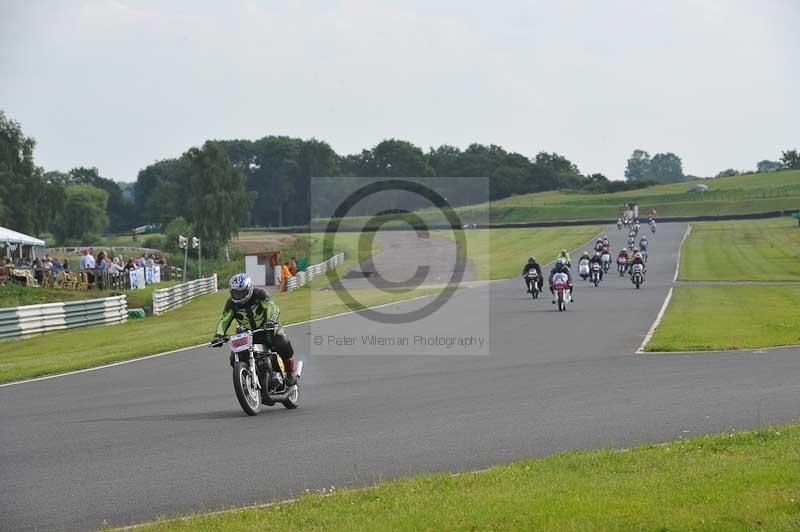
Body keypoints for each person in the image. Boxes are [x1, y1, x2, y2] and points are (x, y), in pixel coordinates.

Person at [211, 274, 297, 385]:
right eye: (235, 293)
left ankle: (290, 374)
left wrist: (270, 321)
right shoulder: (231, 304)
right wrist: (218, 335)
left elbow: (272, 307)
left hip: (268, 329)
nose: (238, 296)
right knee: (234, 356)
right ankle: (249, 375)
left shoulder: (260, 294)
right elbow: (225, 320)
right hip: (249, 334)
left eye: (241, 292)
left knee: (282, 342)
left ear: (249, 289)